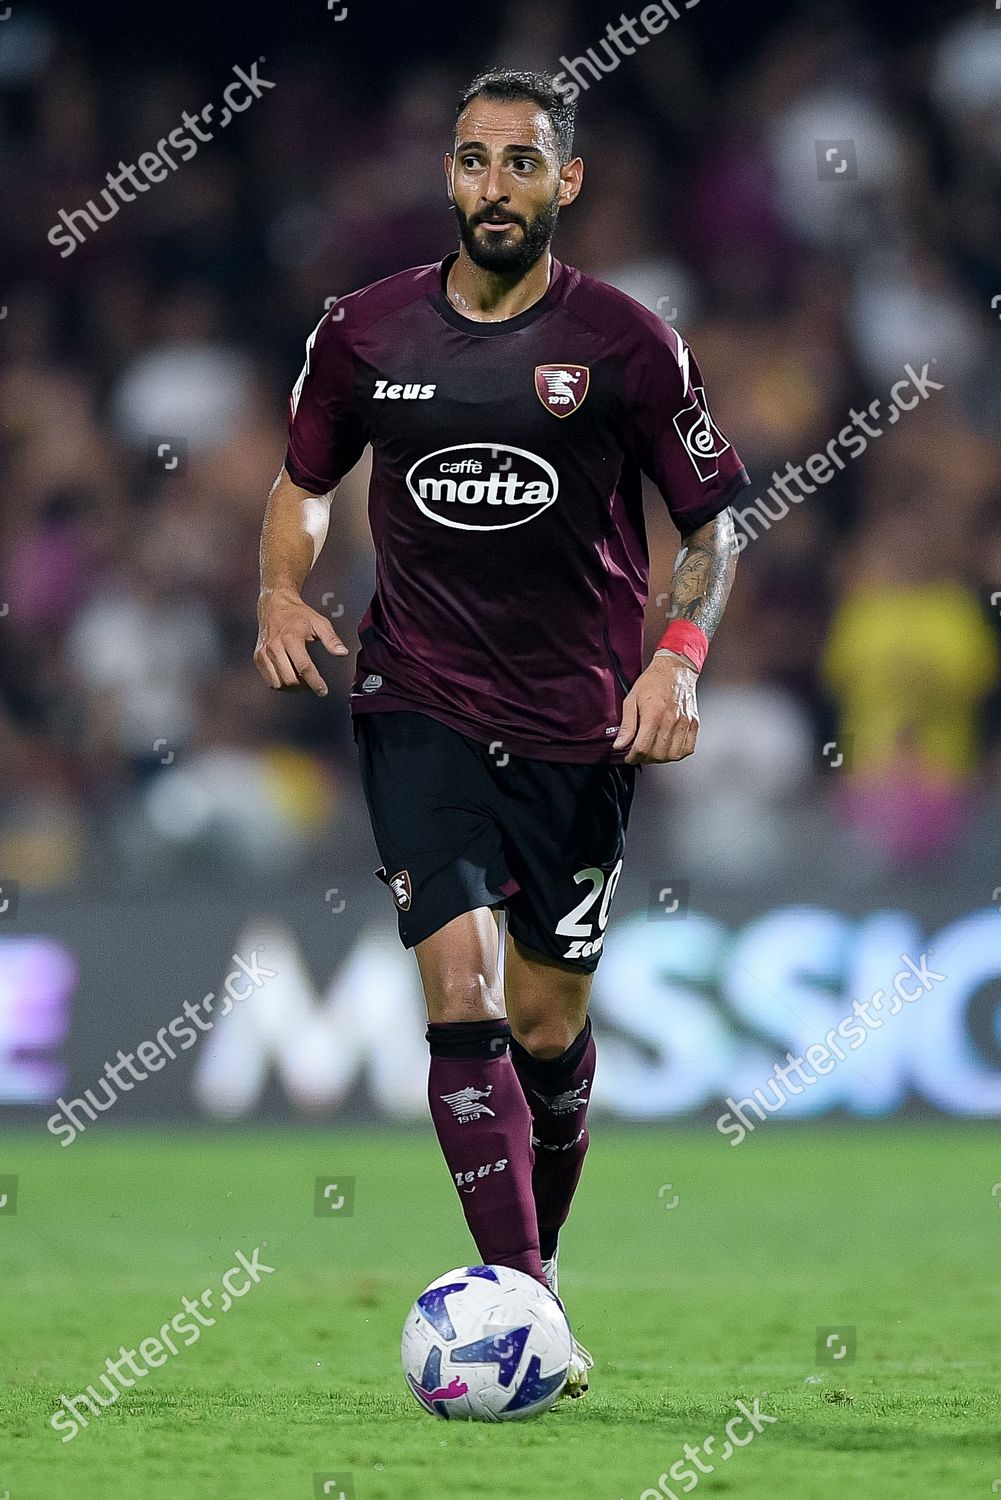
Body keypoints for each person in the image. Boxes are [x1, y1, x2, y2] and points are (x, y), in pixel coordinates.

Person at [254, 68, 748, 1400]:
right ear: (448, 177)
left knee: (546, 1026)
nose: (492, 187)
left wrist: (679, 664)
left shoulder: (632, 344)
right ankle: (524, 1304)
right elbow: (304, 484)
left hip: (577, 730)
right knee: (460, 1001)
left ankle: (535, 1269)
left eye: (520, 164)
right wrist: (279, 587)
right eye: (472, 162)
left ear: (564, 182)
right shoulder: (363, 333)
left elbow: (708, 527)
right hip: (414, 703)